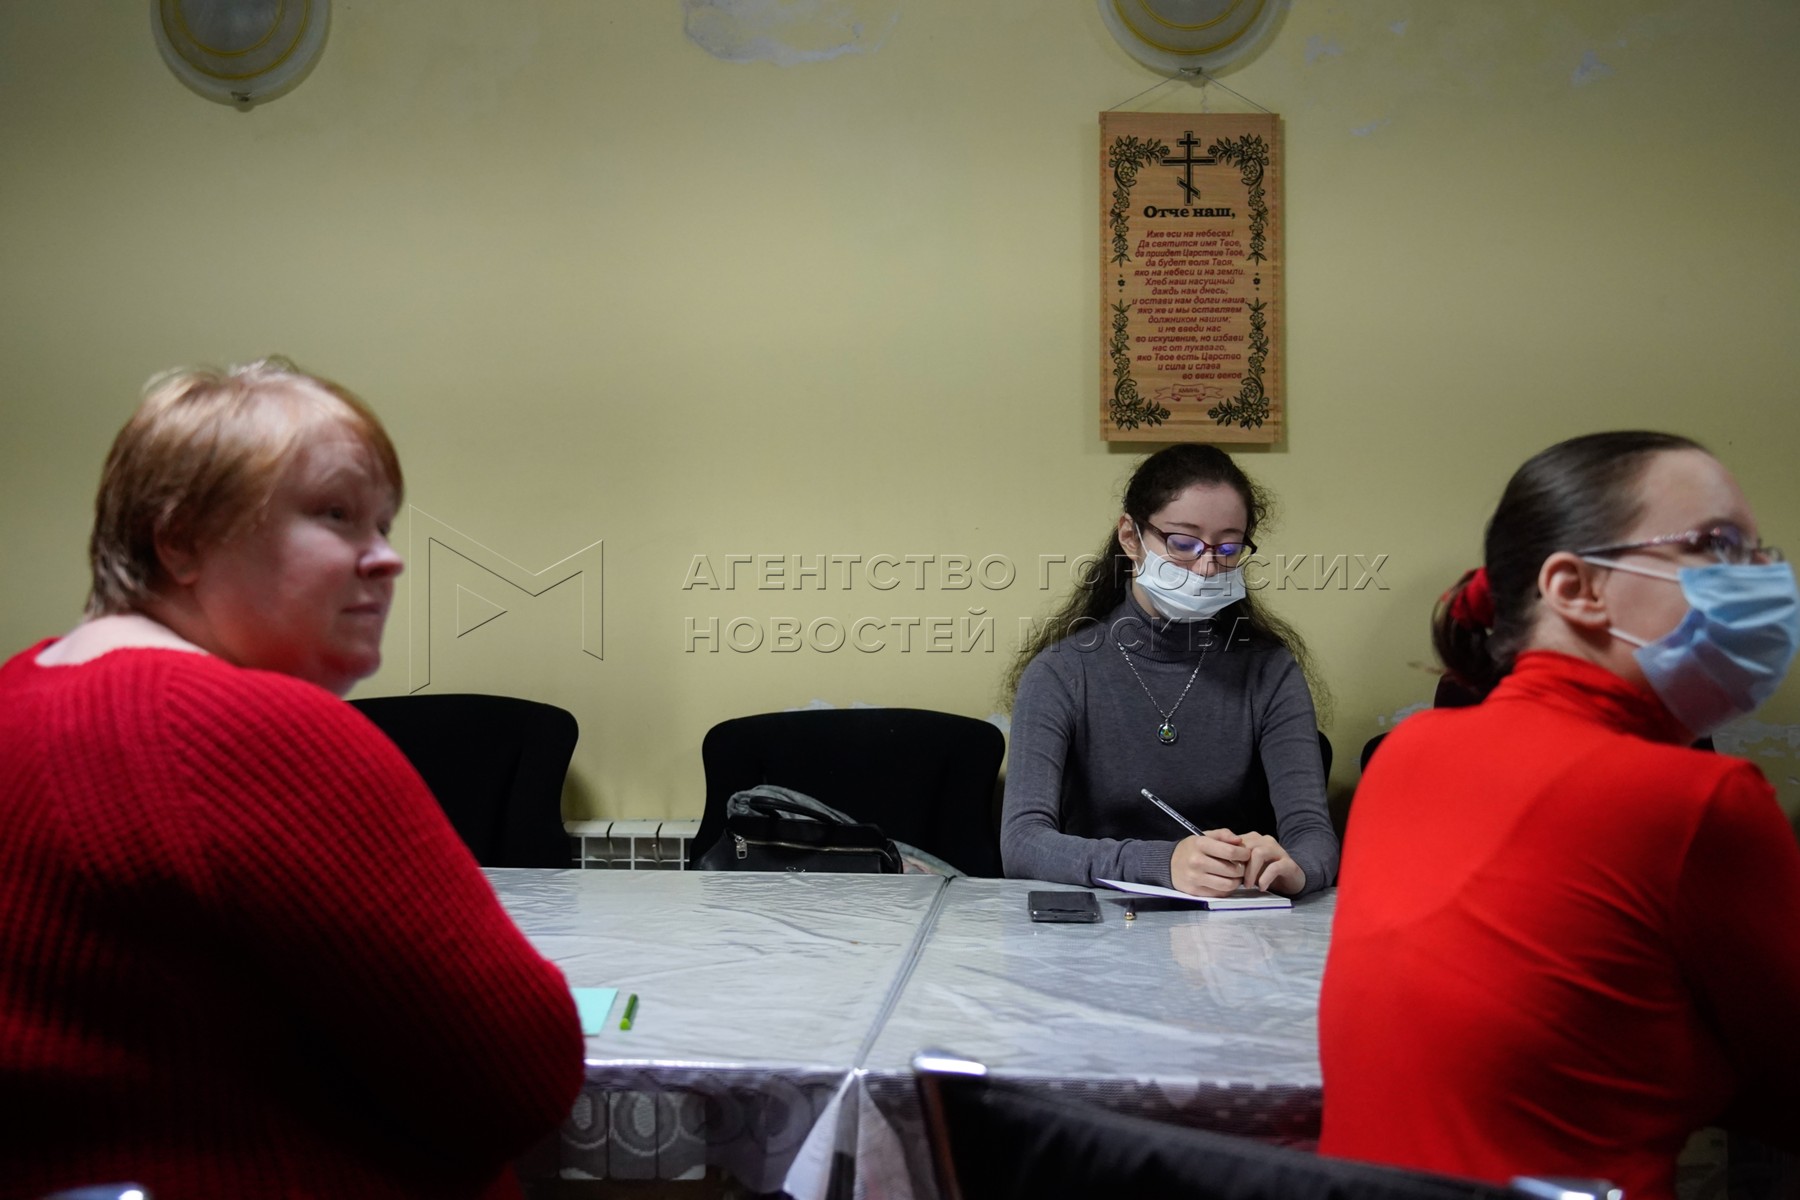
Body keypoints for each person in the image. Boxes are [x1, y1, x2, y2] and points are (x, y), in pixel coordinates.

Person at [0, 359, 585, 1198]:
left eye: (383, 524)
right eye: (336, 514)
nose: (387, 560)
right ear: (181, 539)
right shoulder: (252, 733)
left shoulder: (17, 695)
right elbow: (523, 1077)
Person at [1318, 431, 1800, 1200]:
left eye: (1758, 551)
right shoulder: (1698, 800)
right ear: (1575, 588)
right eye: (1715, 546)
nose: (1763, 579)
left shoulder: (1407, 754)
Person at [1000, 444, 1338, 897]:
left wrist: (1296, 869)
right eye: (1183, 543)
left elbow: (1313, 836)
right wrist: (1162, 863)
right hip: (1100, 920)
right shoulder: (1060, 673)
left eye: (1228, 547)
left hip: (1235, 921)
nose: (1207, 566)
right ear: (1130, 537)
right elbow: (1022, 844)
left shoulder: (1269, 671)